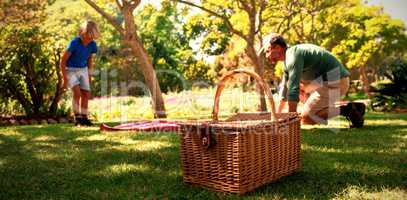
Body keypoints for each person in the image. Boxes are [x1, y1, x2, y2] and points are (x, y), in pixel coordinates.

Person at [258, 33, 364, 127]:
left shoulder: (293, 56)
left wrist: (290, 121)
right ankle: (350, 108)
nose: (267, 56)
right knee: (296, 87)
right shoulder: (288, 59)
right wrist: (277, 117)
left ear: (277, 47)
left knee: (306, 118)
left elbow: (292, 90)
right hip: (326, 83)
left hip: (336, 82)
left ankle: (347, 110)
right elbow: (285, 90)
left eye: (268, 51)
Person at [60, 20, 99, 126]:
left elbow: (90, 59)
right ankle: (77, 118)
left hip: (83, 70)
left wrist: (89, 74)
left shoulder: (92, 45)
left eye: (92, 38)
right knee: (77, 93)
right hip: (70, 69)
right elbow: (63, 61)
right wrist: (65, 78)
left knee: (86, 93)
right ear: (83, 33)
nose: (90, 40)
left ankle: (84, 117)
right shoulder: (74, 43)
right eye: (88, 37)